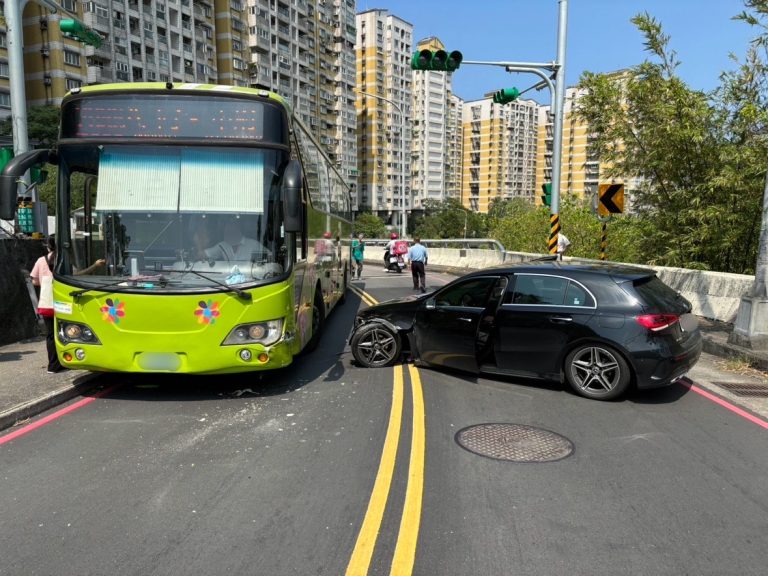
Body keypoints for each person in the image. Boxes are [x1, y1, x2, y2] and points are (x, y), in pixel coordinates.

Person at [29, 237, 105, 373]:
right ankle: (65, 360)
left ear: (48, 247)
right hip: (62, 304)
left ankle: (52, 366)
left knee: (50, 335)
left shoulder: (41, 261)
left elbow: (34, 281)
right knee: (65, 333)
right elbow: (78, 275)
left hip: (46, 304)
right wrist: (95, 266)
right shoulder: (64, 261)